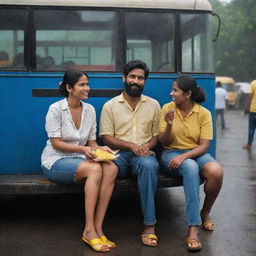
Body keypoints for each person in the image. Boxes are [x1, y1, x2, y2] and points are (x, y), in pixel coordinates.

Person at [41, 69, 118, 252]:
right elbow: (56, 143)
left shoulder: (89, 110)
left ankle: (98, 228)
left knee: (112, 168)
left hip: (79, 159)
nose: (87, 88)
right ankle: (89, 230)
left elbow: (91, 142)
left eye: (87, 84)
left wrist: (100, 149)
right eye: (82, 85)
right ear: (69, 88)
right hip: (55, 160)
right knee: (95, 169)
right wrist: (84, 149)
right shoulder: (56, 109)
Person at [99, 60, 161, 247]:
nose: (136, 81)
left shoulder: (154, 105)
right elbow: (107, 138)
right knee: (101, 169)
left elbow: (156, 136)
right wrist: (131, 146)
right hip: (118, 156)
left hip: (143, 157)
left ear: (144, 81)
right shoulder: (110, 106)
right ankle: (96, 227)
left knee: (149, 165)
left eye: (140, 78)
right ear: (124, 78)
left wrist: (146, 148)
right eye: (132, 76)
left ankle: (149, 226)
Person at [159, 75, 223, 252]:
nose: (171, 93)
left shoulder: (203, 113)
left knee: (216, 171)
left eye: (175, 90)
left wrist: (185, 156)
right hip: (171, 153)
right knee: (191, 167)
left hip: (194, 152)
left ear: (187, 94)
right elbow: (164, 142)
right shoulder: (167, 108)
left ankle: (205, 212)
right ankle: (193, 229)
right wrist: (169, 124)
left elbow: (204, 146)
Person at [243, 79, 256, 150]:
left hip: (253, 110)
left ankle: (249, 144)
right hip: (253, 111)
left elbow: (249, 96)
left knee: (251, 129)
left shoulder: (253, 83)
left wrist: (246, 108)